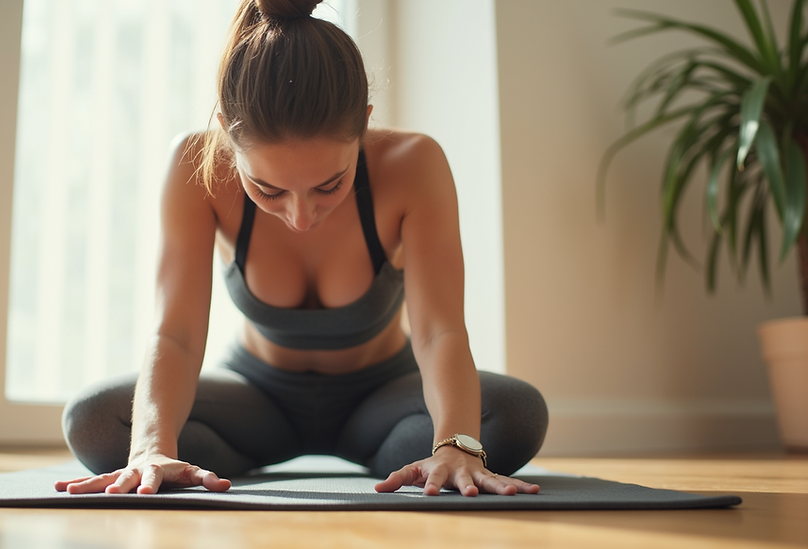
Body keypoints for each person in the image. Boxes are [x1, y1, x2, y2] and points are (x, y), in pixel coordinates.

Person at [55, 0, 548, 498]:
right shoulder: (194, 167)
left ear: (363, 128)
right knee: (97, 421)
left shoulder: (415, 164)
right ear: (227, 134)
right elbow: (177, 335)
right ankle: (198, 461)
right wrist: (149, 448)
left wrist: (455, 443)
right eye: (269, 190)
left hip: (382, 399)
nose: (301, 216)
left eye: (330, 184)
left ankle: (416, 460)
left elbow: (439, 331)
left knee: (514, 415)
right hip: (257, 403)